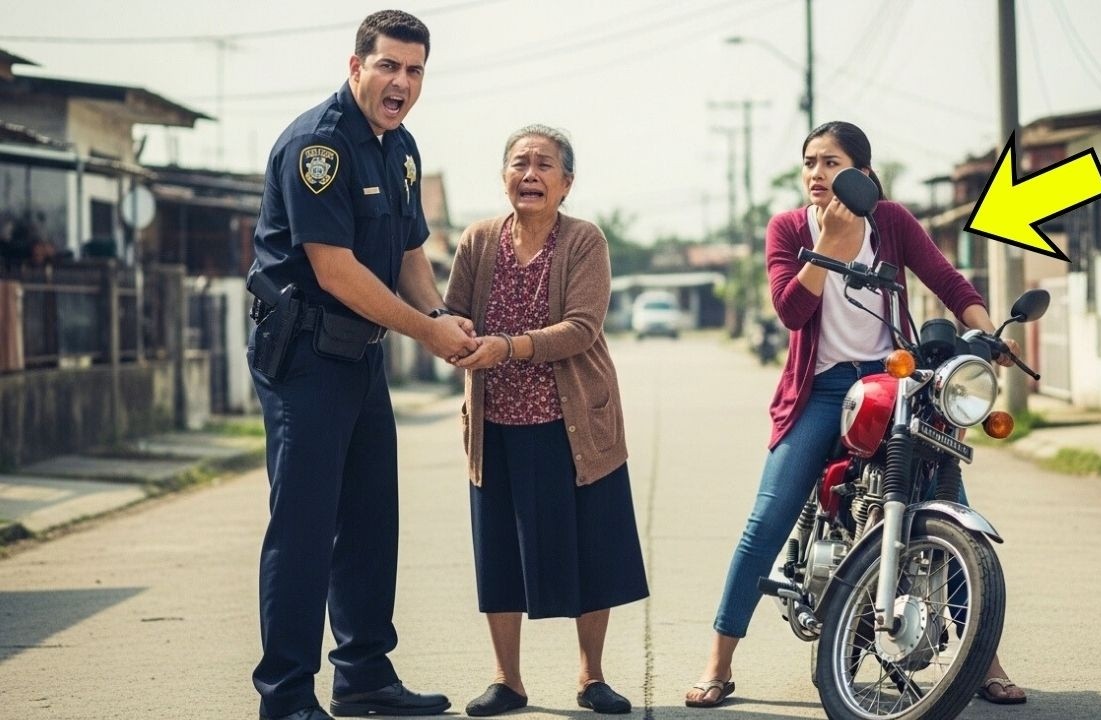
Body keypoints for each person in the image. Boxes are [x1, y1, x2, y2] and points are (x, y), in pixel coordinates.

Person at [684, 121, 1027, 708]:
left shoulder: (890, 221)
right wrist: (829, 248)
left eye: (831, 162)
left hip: (893, 379)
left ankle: (984, 661)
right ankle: (719, 662)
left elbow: (946, 280)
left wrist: (988, 331)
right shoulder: (789, 228)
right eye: (809, 162)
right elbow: (791, 311)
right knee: (767, 521)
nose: (817, 173)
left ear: (863, 175)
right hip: (819, 391)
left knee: (949, 497)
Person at [244, 10, 479, 720]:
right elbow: (336, 270)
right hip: (305, 357)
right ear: (356, 67)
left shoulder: (400, 147)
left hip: (362, 355)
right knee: (305, 528)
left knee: (372, 520)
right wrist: (427, 335)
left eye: (415, 70)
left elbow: (408, 250)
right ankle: (286, 695)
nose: (401, 82)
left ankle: (364, 677)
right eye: (388, 66)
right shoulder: (318, 147)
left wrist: (438, 313)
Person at [444, 125, 649, 717]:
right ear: (504, 176)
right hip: (496, 425)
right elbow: (452, 311)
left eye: (544, 165)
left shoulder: (584, 240)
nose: (529, 174)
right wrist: (452, 331)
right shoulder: (478, 240)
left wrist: (508, 346)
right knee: (499, 554)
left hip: (574, 423)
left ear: (566, 183)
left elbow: (582, 327)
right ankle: (507, 680)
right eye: (519, 163)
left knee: (592, 550)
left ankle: (592, 676)